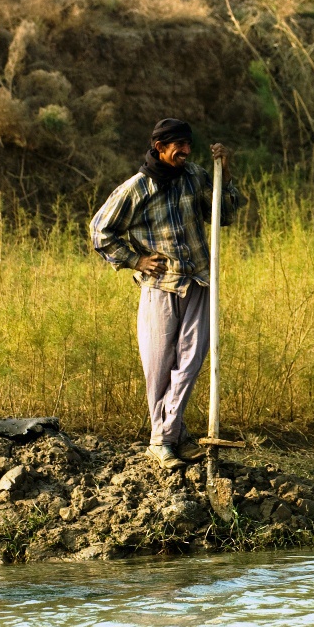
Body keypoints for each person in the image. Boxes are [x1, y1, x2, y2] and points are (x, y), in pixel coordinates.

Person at [90, 118, 244, 469]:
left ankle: (164, 437)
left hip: (200, 282)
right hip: (160, 286)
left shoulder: (195, 175)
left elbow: (225, 214)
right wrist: (136, 259)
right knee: (159, 367)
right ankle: (170, 438)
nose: (186, 152)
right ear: (159, 147)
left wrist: (226, 172)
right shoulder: (136, 188)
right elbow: (100, 231)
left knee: (189, 364)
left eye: (189, 145)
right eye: (178, 146)